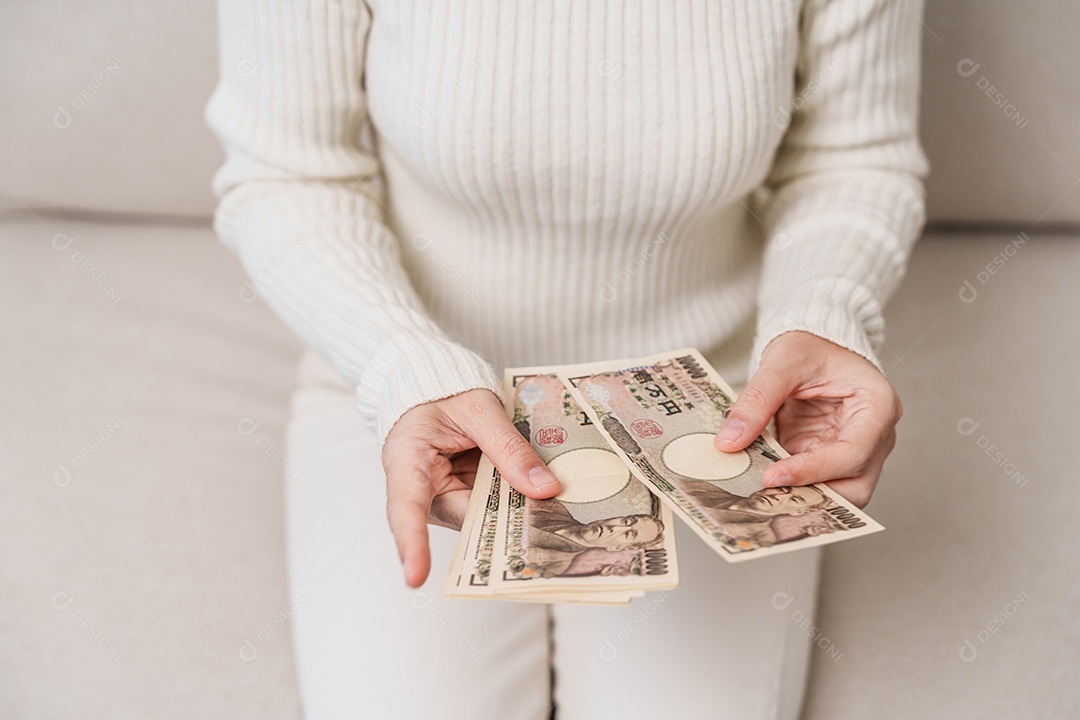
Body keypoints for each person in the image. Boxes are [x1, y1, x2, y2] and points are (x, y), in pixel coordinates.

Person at [206, 1, 925, 718]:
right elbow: (286, 174)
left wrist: (825, 314)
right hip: (404, 394)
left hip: (723, 404)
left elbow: (852, 159)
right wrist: (400, 365)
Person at [526, 501, 664, 577]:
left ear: (616, 548)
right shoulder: (550, 507)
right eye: (626, 522)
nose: (614, 528)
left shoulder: (557, 565)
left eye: (627, 534)